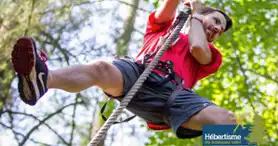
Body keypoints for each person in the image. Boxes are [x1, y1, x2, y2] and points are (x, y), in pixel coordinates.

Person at [11, 0, 237, 139]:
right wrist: (191, 9)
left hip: (173, 97)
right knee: (100, 68)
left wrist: (197, 15)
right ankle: (43, 80)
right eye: (216, 20)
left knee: (226, 121)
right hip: (137, 73)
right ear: (201, 13)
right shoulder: (161, 30)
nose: (217, 28)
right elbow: (168, 5)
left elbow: (197, 46)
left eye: (220, 29)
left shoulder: (212, 56)